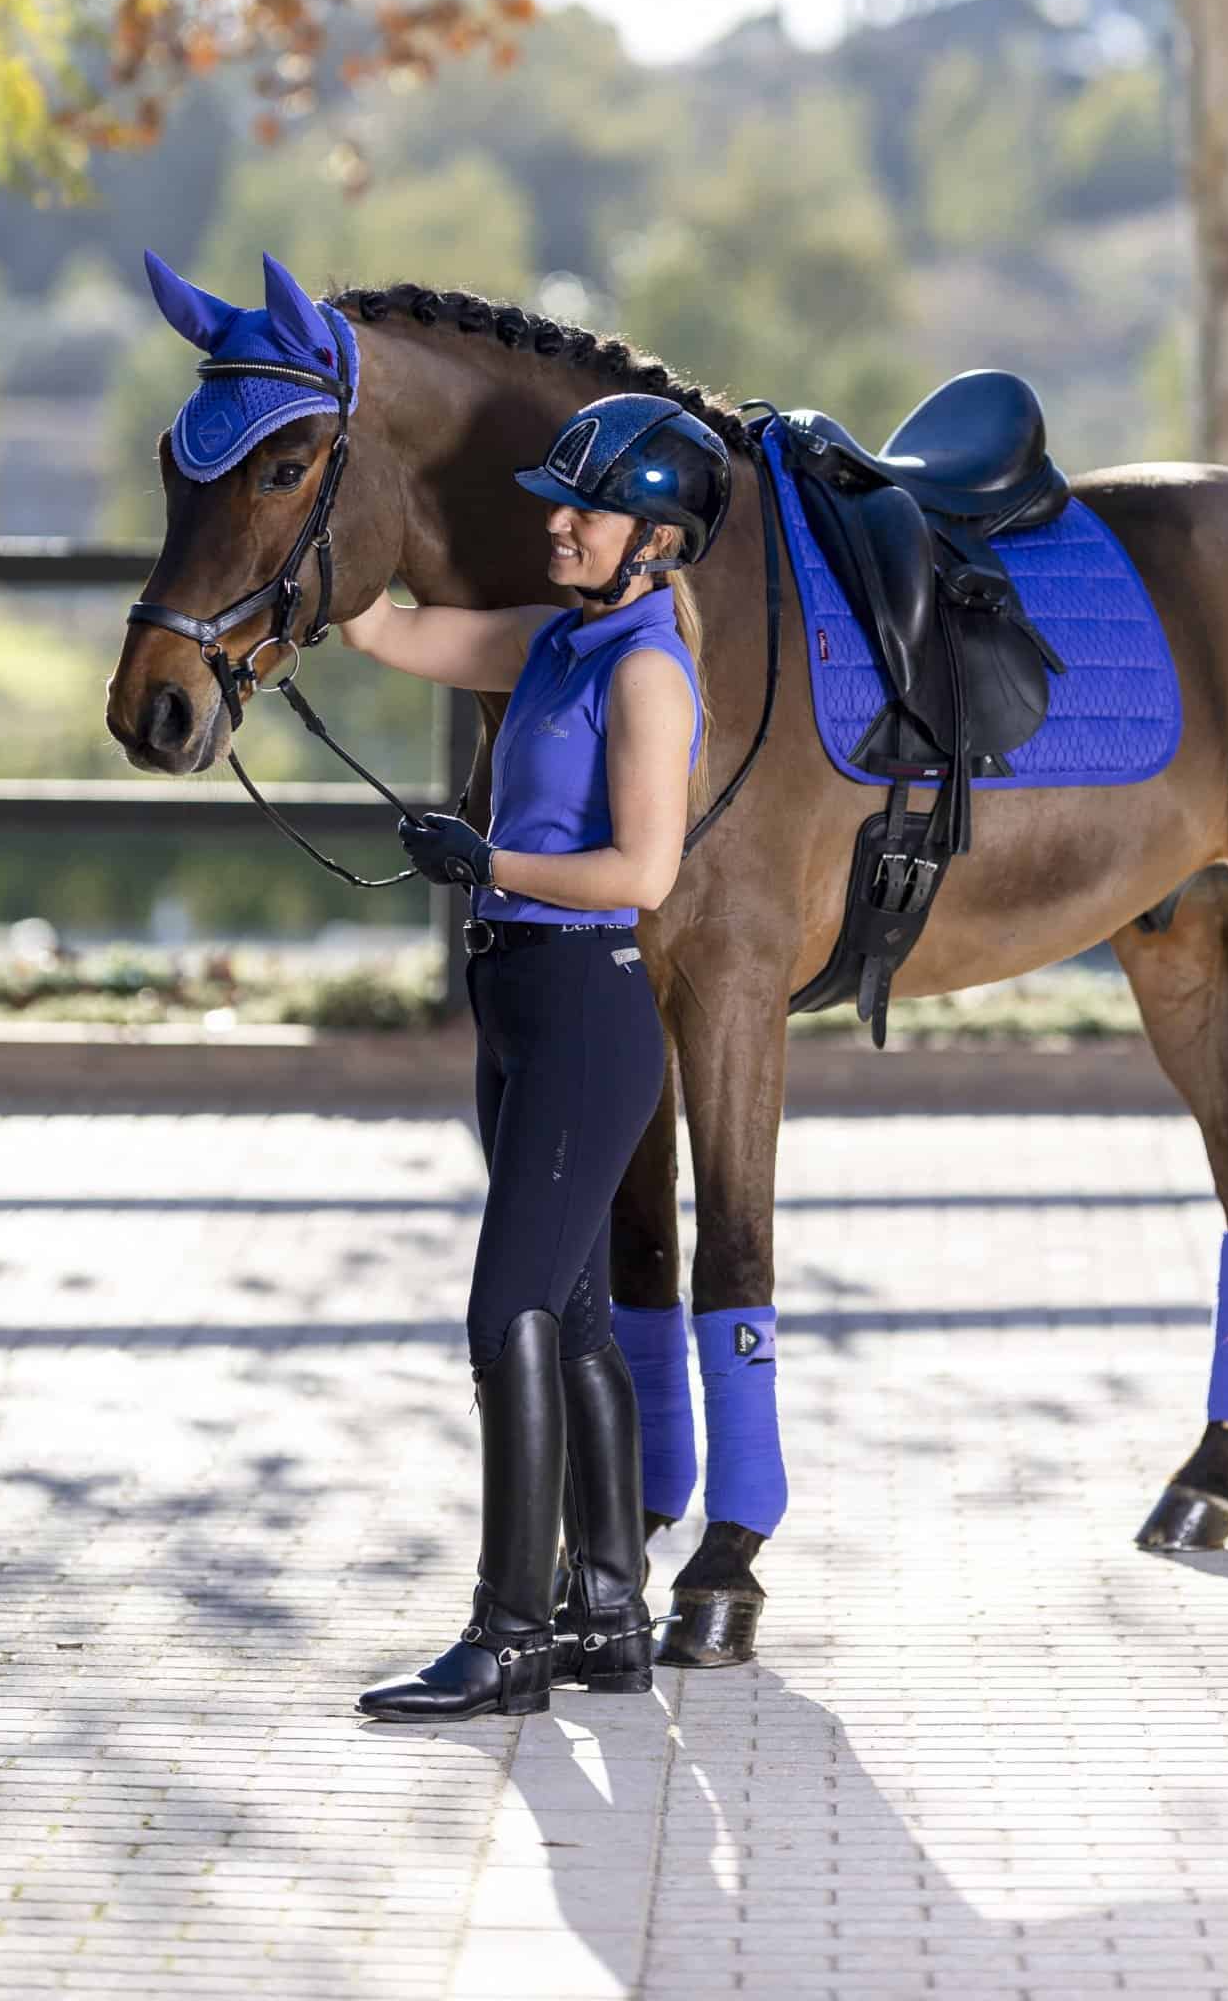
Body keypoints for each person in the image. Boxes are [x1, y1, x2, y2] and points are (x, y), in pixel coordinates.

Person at [342, 394, 731, 1721]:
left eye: (586, 507)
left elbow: (643, 870)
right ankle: (610, 1614)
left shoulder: (644, 671)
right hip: (516, 997)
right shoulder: (553, 640)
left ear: (658, 543)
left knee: (503, 1306)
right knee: (567, 1314)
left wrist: (486, 860)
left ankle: (511, 1636)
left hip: (584, 1000)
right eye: (556, 499)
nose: (555, 522)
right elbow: (390, 628)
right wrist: (335, 529)